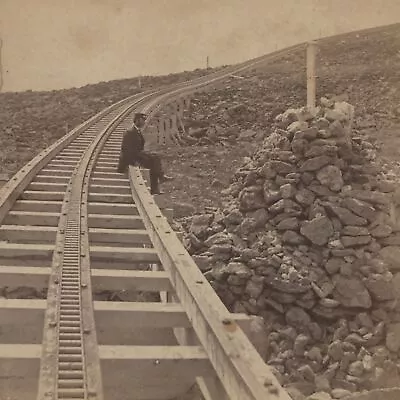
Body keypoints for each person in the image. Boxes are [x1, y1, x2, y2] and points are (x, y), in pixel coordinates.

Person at [117, 112, 172, 194]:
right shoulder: (129, 132)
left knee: (154, 159)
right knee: (153, 161)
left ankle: (157, 183)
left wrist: (144, 155)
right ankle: (158, 182)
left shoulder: (137, 131)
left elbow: (139, 148)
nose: (144, 122)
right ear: (137, 120)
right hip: (129, 159)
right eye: (143, 120)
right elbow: (125, 150)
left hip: (136, 156)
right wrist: (135, 162)